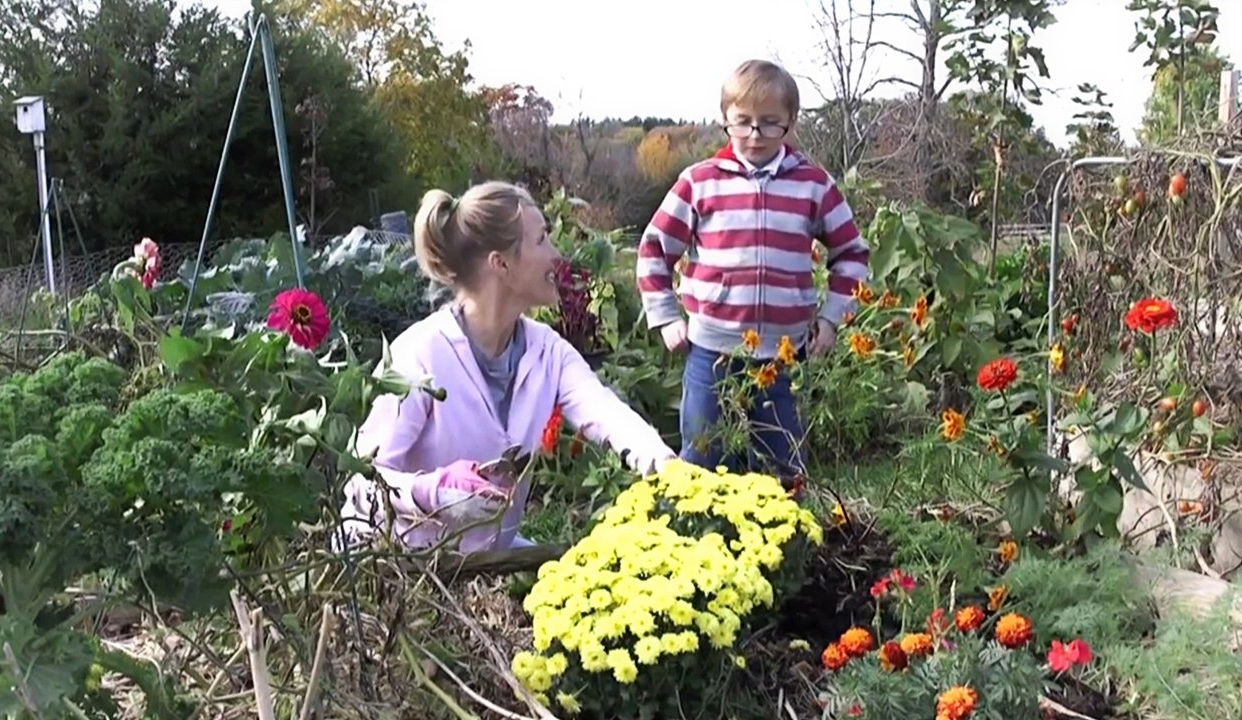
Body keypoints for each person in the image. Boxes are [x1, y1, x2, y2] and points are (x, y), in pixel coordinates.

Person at [338, 181, 676, 554]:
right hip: (397, 569)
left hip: (485, 565)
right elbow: (362, 482)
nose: (556, 254)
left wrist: (664, 463)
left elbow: (606, 413)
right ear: (500, 263)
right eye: (541, 240)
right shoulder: (422, 355)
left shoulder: (546, 351)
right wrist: (435, 491)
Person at [635, 59, 871, 476]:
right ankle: (702, 537)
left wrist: (832, 319)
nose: (755, 135)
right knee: (704, 462)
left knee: (782, 467)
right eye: (742, 122)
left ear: (791, 122)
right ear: (724, 119)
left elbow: (852, 253)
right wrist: (666, 316)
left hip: (784, 355)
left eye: (770, 123)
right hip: (712, 352)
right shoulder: (700, 182)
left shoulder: (813, 185)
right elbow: (654, 249)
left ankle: (787, 541)